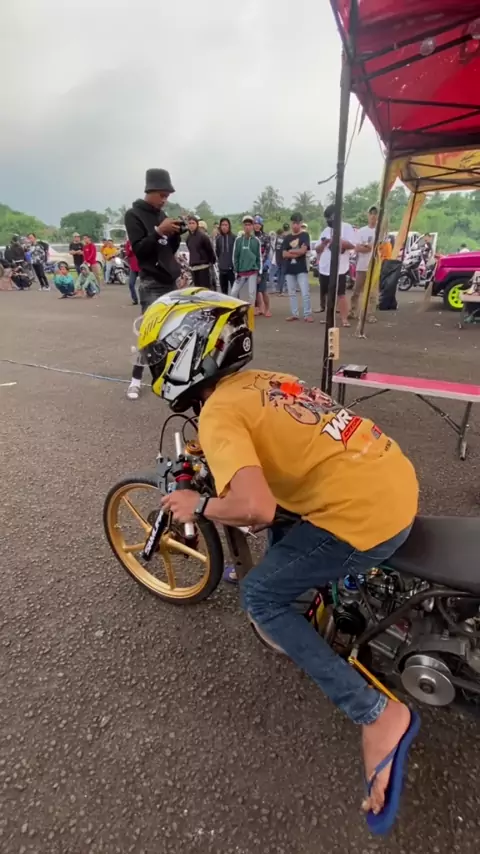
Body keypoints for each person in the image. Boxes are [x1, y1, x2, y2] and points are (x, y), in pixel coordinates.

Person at [136, 288, 420, 834]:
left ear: (185, 353)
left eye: (157, 355)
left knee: (261, 596)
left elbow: (255, 508)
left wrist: (198, 503)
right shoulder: (263, 380)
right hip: (390, 478)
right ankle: (318, 604)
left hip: (366, 518)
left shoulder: (218, 414)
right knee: (288, 517)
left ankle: (376, 714)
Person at [124, 167, 182, 400]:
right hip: (150, 282)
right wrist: (159, 231)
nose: (164, 200)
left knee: (170, 332)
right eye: (162, 195)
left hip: (169, 280)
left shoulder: (162, 215)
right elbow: (140, 250)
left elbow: (167, 250)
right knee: (148, 334)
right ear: (151, 191)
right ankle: (136, 380)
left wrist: (175, 234)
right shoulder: (133, 215)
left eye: (167, 196)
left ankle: (165, 377)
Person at [315, 204, 355, 326]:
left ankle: (344, 319)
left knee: (341, 294)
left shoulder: (346, 227)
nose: (328, 220)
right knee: (328, 294)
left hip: (339, 269)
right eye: (327, 218)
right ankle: (329, 317)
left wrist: (337, 239)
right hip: (325, 268)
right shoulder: (326, 230)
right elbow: (317, 249)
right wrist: (324, 243)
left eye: (330, 217)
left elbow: (352, 245)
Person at [282, 213, 313, 322]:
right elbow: (284, 254)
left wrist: (291, 251)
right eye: (293, 223)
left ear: (301, 224)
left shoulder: (305, 235)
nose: (295, 225)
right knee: (292, 293)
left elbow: (303, 251)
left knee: (305, 293)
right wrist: (296, 253)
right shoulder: (287, 238)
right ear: (291, 223)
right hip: (289, 269)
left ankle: (307, 314)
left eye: (297, 223)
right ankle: (294, 314)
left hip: (301, 268)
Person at [349, 205, 378, 322]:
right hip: (361, 266)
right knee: (356, 290)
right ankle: (353, 311)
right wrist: (368, 247)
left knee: (372, 293)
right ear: (368, 215)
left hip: (374, 266)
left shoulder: (381, 231)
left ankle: (369, 314)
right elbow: (356, 247)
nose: (373, 216)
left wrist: (367, 246)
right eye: (371, 213)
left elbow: (380, 248)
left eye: (375, 214)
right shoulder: (361, 231)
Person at [231, 216, 262, 305]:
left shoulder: (256, 241)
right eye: (246, 225)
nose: (247, 227)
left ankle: (251, 312)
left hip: (253, 271)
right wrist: (236, 271)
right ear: (243, 226)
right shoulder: (238, 240)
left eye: (249, 225)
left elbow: (259, 257)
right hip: (241, 271)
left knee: (252, 295)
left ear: (252, 226)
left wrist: (259, 273)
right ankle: (237, 310)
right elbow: (235, 257)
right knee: (233, 292)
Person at [186, 216, 216, 289]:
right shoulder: (188, 238)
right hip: (193, 268)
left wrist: (211, 261)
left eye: (193, 223)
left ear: (197, 224)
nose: (191, 225)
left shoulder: (203, 237)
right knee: (196, 290)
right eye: (189, 223)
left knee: (204, 289)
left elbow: (210, 250)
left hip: (203, 267)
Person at [253, 215, 271, 317]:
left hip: (263, 266)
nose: (256, 225)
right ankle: (259, 308)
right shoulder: (250, 237)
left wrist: (260, 264)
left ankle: (267, 308)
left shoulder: (266, 236)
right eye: (255, 223)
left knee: (263, 289)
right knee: (255, 290)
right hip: (252, 267)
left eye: (258, 224)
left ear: (261, 225)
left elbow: (266, 252)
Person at [215, 218, 236, 295]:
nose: (224, 227)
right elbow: (218, 252)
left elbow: (236, 253)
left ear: (229, 226)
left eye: (226, 225)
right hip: (222, 269)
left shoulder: (234, 238)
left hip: (232, 269)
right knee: (224, 293)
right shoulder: (218, 238)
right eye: (222, 225)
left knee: (235, 291)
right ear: (220, 226)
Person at [124, 238, 140, 305]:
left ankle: (145, 299)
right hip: (133, 267)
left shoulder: (141, 240)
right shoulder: (128, 242)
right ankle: (135, 299)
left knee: (143, 285)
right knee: (131, 284)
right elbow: (127, 254)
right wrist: (130, 250)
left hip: (142, 266)